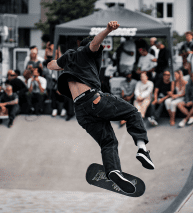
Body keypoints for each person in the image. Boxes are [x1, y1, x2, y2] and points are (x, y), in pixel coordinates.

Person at [47, 21, 155, 194]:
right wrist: (108, 30)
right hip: (94, 99)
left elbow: (51, 65)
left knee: (108, 142)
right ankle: (142, 149)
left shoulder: (68, 57)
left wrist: (57, 63)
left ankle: (113, 171)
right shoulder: (86, 52)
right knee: (133, 112)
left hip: (81, 112)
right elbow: (95, 43)